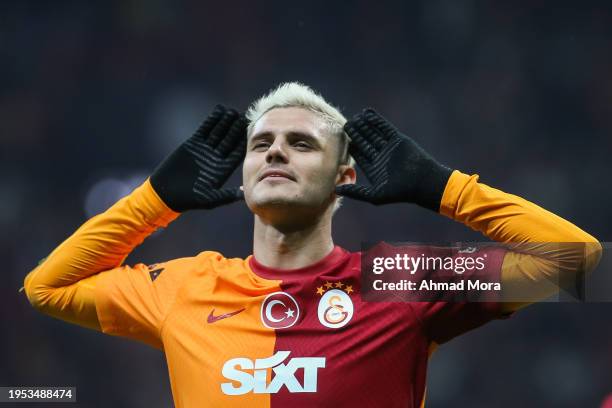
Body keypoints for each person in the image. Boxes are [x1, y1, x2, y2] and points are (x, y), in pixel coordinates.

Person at [24, 82, 602, 407]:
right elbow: (46, 287)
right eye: (261, 144)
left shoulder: (400, 278)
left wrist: (442, 188)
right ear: (243, 173)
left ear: (344, 176)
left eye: (301, 143)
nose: (275, 152)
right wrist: (154, 200)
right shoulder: (185, 287)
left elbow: (578, 261)